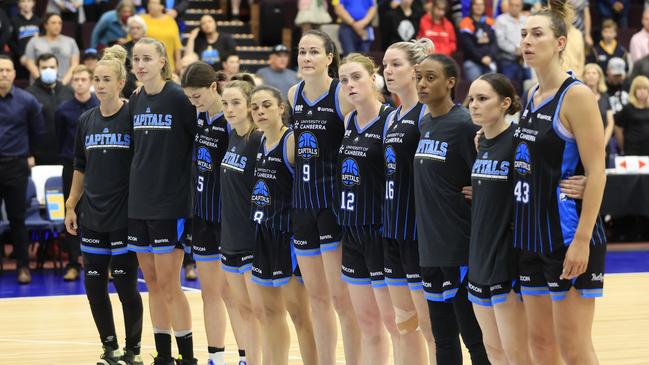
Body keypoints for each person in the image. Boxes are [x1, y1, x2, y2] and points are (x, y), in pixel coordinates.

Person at [516, 2, 607, 364]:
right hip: (530, 235)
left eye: (537, 34)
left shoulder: (578, 96)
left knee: (574, 349)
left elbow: (597, 171)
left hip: (567, 236)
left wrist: (582, 240)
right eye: (524, 34)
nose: (527, 40)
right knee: (540, 345)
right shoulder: (530, 96)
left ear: (559, 43)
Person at [63, 45, 144, 365]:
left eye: (106, 79)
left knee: (126, 285)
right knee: (94, 285)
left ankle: (133, 350)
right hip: (92, 215)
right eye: (96, 78)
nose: (99, 84)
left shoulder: (133, 115)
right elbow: (79, 166)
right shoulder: (86, 120)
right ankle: (109, 348)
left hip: (124, 216)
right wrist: (71, 205)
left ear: (121, 82)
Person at [286, 29, 361, 365]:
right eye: (302, 52)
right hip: (301, 205)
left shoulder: (342, 95)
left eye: (314, 52)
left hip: (332, 206)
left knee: (341, 298)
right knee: (316, 298)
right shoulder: (292, 94)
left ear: (330, 58)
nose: (306, 58)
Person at [414, 53, 490, 365]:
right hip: (430, 248)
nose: (422, 83)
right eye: (419, 77)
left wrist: (481, 193)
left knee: (475, 339)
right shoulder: (425, 122)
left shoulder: (463, 125)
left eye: (430, 78)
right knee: (442, 339)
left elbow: (486, 176)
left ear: (450, 82)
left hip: (459, 247)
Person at [126, 37, 197, 365]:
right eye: (135, 59)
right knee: (152, 282)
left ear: (162, 62)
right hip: (139, 202)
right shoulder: (135, 99)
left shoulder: (180, 98)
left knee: (170, 284)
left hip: (170, 204)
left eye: (146, 59)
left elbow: (196, 146)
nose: (140, 65)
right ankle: (164, 356)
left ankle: (188, 357)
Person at [336, 53, 401, 365]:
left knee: (395, 324)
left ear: (374, 77)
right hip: (351, 232)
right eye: (344, 80)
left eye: (356, 77)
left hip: (379, 230)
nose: (350, 85)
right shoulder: (348, 121)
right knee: (368, 326)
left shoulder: (390, 120)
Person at [466, 73, 533, 365]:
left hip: (506, 258)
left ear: (505, 103)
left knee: (516, 353)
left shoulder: (519, 142)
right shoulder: (481, 143)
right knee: (493, 350)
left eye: (483, 99)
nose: (473, 105)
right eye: (471, 99)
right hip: (479, 256)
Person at [249, 85, 318, 365]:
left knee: (299, 314)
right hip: (263, 232)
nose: (260, 111)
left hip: (287, 235)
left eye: (266, 105)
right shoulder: (259, 141)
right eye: (255, 107)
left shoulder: (292, 141)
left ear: (281, 108)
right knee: (267, 311)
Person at [381, 40, 436, 365]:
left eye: (395, 64)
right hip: (392, 230)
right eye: (385, 65)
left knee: (431, 328)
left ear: (415, 70)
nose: (387, 70)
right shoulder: (392, 116)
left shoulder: (427, 115)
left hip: (419, 233)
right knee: (404, 325)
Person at [219, 76, 265, 365]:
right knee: (242, 308)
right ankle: (248, 359)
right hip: (230, 236)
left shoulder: (259, 139)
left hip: (253, 238)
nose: (229, 108)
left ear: (250, 106)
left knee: (260, 311)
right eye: (225, 103)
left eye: (236, 103)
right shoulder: (232, 135)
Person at [0, 54, 45, 285]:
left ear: (14, 74)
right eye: (0, 70)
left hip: (16, 165)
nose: (4, 74)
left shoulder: (27, 101)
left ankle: (23, 267)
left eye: (7, 70)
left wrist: (31, 155)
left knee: (18, 219)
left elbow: (38, 132)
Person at [56, 65, 99, 281]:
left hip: (98, 166)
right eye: (76, 79)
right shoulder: (63, 109)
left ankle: (105, 264)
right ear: (72, 82)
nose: (80, 83)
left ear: (90, 81)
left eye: (84, 79)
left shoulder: (99, 106)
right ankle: (73, 263)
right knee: (70, 211)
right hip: (71, 165)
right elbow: (59, 138)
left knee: (97, 213)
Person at [26, 53, 74, 165]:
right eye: (44, 67)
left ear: (57, 68)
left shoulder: (69, 92)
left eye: (52, 67)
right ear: (38, 69)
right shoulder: (29, 94)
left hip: (67, 154)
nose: (48, 70)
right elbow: (25, 126)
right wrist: (29, 153)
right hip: (40, 155)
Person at [22, 13, 79, 85]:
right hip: (39, 85)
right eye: (53, 23)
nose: (57, 26)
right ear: (45, 25)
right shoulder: (34, 41)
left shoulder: (71, 42)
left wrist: (62, 84)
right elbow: (30, 64)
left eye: (59, 23)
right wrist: (42, 82)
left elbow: (74, 65)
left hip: (65, 85)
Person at [459, 0, 498, 82]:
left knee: (493, 85)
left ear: (484, 7)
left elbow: (494, 44)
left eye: (481, 5)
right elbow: (468, 46)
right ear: (472, 7)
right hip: (472, 61)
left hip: (488, 61)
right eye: (476, 5)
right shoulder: (465, 22)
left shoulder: (490, 21)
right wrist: (481, 58)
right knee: (476, 85)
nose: (479, 7)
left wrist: (490, 57)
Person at [583, 63, 615, 164]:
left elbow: (610, 123)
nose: (591, 75)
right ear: (583, 76)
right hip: (583, 144)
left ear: (599, 77)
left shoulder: (605, 97)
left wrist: (602, 145)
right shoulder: (578, 97)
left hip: (603, 144)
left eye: (594, 73)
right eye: (588, 73)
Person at [141, 0, 182, 74]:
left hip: (168, 65)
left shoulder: (170, 20)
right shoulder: (142, 19)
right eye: (149, 3)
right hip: (147, 66)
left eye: (153, 3)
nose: (150, 5)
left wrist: (178, 62)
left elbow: (177, 44)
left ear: (162, 6)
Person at [495, 0, 526, 94]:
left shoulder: (526, 19)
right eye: (512, 5)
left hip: (525, 59)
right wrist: (515, 50)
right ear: (508, 6)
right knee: (508, 89)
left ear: (521, 7)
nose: (514, 8)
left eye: (517, 5)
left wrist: (524, 49)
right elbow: (501, 41)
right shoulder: (501, 19)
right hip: (507, 59)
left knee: (526, 87)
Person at [614, 75, 649, 157]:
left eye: (645, 88)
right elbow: (618, 127)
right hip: (632, 150)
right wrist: (622, 146)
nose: (642, 91)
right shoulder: (627, 108)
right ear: (634, 91)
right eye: (639, 89)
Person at [9, 0, 41, 79]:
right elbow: (11, 41)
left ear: (33, 3)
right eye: (23, 1)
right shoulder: (13, 20)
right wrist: (21, 55)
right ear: (19, 4)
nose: (26, 4)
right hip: (20, 59)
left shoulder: (39, 21)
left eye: (29, 1)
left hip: (37, 59)